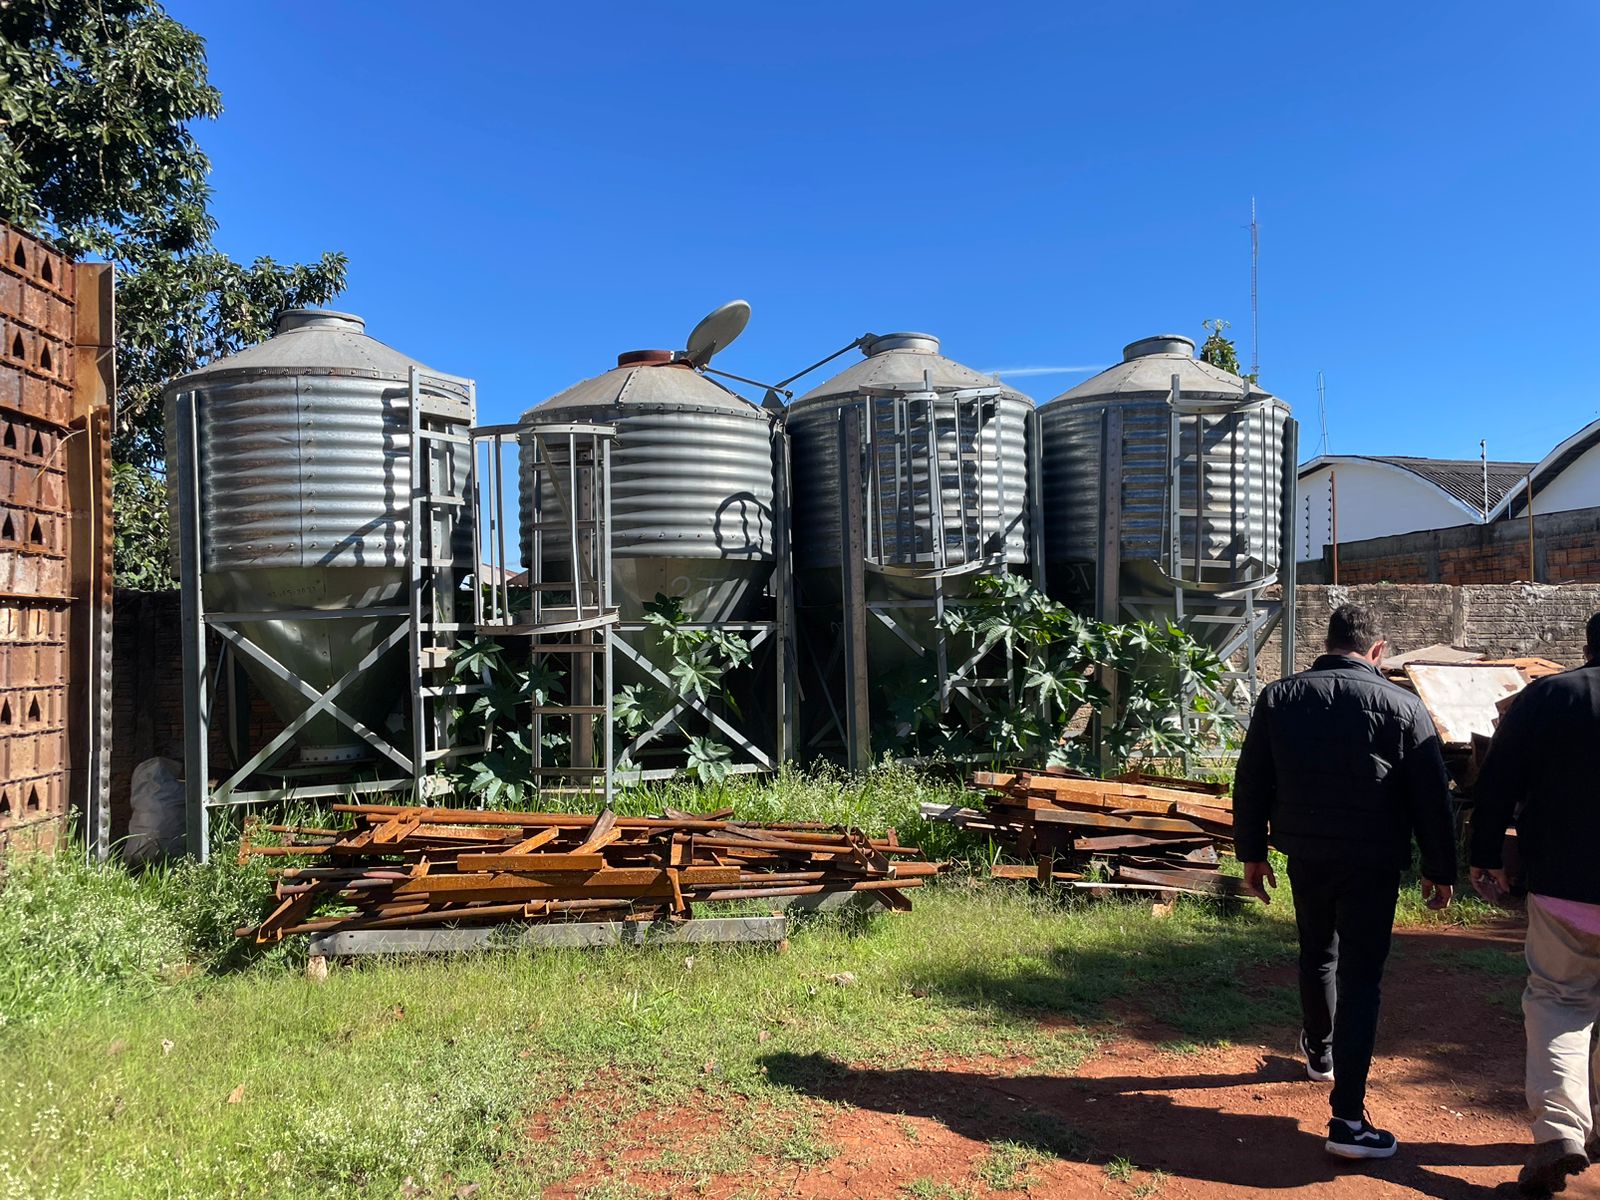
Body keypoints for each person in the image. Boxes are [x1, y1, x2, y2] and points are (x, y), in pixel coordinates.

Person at [1234, 602, 1456, 1161]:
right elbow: (1432, 796)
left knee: (1317, 952)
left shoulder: (1278, 698)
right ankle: (1349, 1118)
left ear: (1327, 642)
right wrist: (1439, 868)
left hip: (1306, 855)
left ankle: (1319, 1050)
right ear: (1376, 651)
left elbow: (1251, 780)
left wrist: (1252, 854)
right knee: (1362, 979)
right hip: (1374, 863)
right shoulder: (1404, 706)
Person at [1470, 612, 1600, 1198]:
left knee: (1559, 1000)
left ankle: (1558, 1132)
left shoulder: (1549, 696)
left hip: (1565, 889)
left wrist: (1485, 854)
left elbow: (1497, 779)